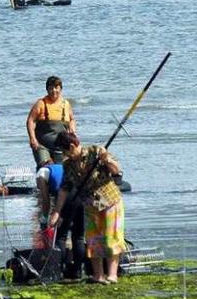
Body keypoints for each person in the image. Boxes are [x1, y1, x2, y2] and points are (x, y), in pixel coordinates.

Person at [47, 132, 125, 284]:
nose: (64, 155)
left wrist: (107, 160)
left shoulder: (96, 152)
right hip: (90, 204)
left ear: (72, 146)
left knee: (111, 239)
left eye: (64, 151)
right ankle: (99, 275)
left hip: (110, 201)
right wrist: (56, 211)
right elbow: (64, 188)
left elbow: (117, 170)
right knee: (93, 241)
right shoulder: (68, 164)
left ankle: (112, 274)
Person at [36, 160, 85, 279]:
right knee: (79, 236)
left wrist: (45, 218)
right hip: (82, 195)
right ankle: (78, 270)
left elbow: (46, 200)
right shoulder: (62, 166)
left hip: (67, 196)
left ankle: (60, 269)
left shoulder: (41, 173)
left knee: (61, 236)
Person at [26, 75, 77, 167]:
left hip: (61, 147)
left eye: (56, 87)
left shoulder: (66, 104)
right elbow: (30, 121)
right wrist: (32, 138)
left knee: (62, 170)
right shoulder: (41, 104)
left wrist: (72, 128)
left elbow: (72, 119)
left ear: (61, 89)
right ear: (47, 90)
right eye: (51, 88)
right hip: (42, 146)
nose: (54, 90)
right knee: (45, 168)